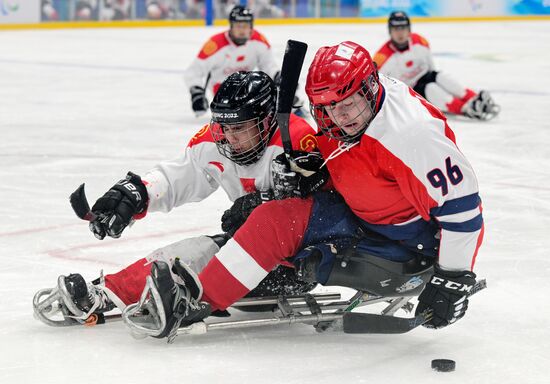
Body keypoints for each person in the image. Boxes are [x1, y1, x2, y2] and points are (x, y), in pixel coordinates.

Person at [134, 41, 484, 340]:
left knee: (278, 222)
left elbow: (463, 213)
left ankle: (198, 301)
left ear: (370, 88)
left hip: (404, 243)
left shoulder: (411, 135)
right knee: (272, 215)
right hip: (359, 212)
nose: (338, 117)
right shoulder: (347, 105)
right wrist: (311, 174)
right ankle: (227, 279)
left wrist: (453, 278)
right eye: (327, 109)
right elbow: (345, 153)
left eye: (347, 105)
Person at [33, 71, 322, 326]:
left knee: (205, 252)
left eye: (239, 128)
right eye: (225, 127)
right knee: (196, 252)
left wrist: (269, 202)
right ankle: (105, 294)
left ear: (267, 120)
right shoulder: (215, 141)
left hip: (295, 268)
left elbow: (327, 210)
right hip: (244, 251)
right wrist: (135, 194)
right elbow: (177, 178)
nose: (229, 138)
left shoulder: (297, 141)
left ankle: (177, 295)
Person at [373, 11, 499, 120]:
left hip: (424, 77)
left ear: (409, 30)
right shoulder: (382, 58)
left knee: (441, 77)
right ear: (390, 31)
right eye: (396, 29)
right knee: (431, 88)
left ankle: (473, 98)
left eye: (403, 28)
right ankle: (466, 109)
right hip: (409, 93)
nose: (400, 33)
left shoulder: (420, 41)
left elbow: (431, 67)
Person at [183, 5, 279, 117]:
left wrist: (279, 77)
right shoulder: (215, 44)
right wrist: (197, 94)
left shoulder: (259, 41)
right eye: (238, 26)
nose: (242, 30)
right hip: (221, 91)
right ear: (231, 26)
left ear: (251, 27)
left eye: (246, 26)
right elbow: (193, 72)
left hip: (246, 87)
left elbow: (269, 65)